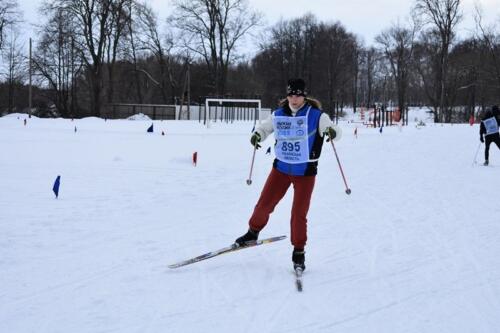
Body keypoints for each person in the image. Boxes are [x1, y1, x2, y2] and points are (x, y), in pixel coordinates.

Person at [234, 78, 342, 271]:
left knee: (298, 214)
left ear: (304, 96)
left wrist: (332, 132)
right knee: (263, 205)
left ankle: (299, 251)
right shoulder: (279, 114)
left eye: (298, 95)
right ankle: (252, 232)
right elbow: (265, 127)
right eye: (290, 94)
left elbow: (334, 129)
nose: (293, 98)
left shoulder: (316, 115)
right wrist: (257, 135)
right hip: (281, 170)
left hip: (305, 173)